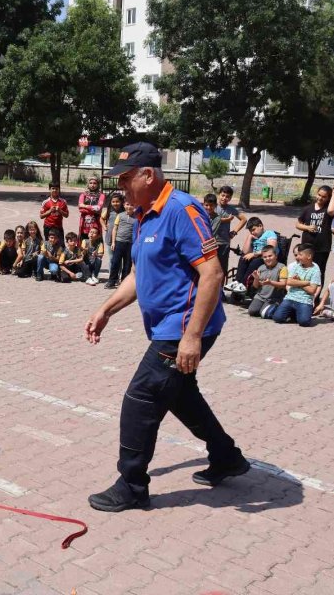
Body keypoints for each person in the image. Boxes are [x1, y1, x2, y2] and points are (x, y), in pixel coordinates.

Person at [85, 142, 247, 513]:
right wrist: (106, 310)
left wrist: (191, 337)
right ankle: (226, 457)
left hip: (184, 328)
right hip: (170, 328)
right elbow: (138, 273)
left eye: (125, 179)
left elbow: (213, 273)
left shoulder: (180, 209)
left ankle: (132, 485)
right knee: (179, 395)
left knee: (142, 397)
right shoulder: (145, 213)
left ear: (148, 175)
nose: (120, 187)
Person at [272, 243, 321, 327]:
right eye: (297, 255)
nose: (298, 257)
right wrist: (306, 282)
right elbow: (289, 282)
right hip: (290, 297)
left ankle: (298, 313)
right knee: (277, 318)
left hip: (304, 300)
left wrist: (298, 281)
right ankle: (293, 312)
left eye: (300, 255)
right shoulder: (296, 266)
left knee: (304, 322)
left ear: (309, 256)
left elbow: (312, 290)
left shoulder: (315, 270)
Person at [296, 185, 334, 283]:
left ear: (328, 198)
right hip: (307, 246)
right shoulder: (308, 209)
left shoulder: (328, 209)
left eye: (324, 197)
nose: (320, 198)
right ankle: (305, 290)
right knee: (305, 268)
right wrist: (307, 227)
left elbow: (331, 211)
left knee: (320, 271)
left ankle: (317, 292)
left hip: (322, 247)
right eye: (319, 195)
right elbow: (298, 224)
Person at [228, 217, 278, 291]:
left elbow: (271, 248)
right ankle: (237, 282)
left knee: (255, 262)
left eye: (253, 229)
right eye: (250, 231)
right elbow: (245, 252)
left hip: (266, 257)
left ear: (260, 226)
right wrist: (249, 237)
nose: (252, 232)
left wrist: (254, 254)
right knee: (243, 258)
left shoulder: (269, 233)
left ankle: (244, 284)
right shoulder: (253, 236)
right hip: (256, 256)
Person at [214, 186, 247, 275]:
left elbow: (243, 219)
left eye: (227, 196)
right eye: (223, 195)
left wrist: (234, 232)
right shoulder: (213, 206)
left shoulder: (231, 209)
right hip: (211, 241)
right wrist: (226, 220)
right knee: (211, 268)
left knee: (222, 269)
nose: (224, 198)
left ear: (230, 198)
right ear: (219, 195)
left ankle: (222, 284)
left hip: (224, 242)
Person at [105, 196, 136, 289]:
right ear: (124, 205)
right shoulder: (120, 215)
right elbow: (115, 229)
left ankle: (124, 282)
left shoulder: (137, 217)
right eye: (127, 204)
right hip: (119, 242)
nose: (129, 207)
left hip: (130, 244)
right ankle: (111, 281)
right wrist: (113, 242)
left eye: (131, 205)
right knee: (115, 262)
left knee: (127, 264)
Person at [247, 245, 287, 319]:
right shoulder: (261, 268)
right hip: (260, 296)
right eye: (265, 257)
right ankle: (264, 308)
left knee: (264, 314)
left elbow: (283, 284)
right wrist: (256, 279)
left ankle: (277, 307)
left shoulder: (282, 267)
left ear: (276, 256)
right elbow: (255, 286)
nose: (267, 258)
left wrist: (270, 283)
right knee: (252, 311)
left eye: (270, 256)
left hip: (274, 298)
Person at [78, 176, 105, 241]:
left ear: (98, 184)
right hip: (84, 223)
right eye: (91, 183)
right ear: (88, 184)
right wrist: (93, 209)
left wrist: (85, 206)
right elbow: (80, 209)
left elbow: (98, 208)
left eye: (95, 183)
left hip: (96, 223)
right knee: (84, 243)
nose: (92, 185)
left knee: (96, 243)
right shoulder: (83, 195)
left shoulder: (101, 195)